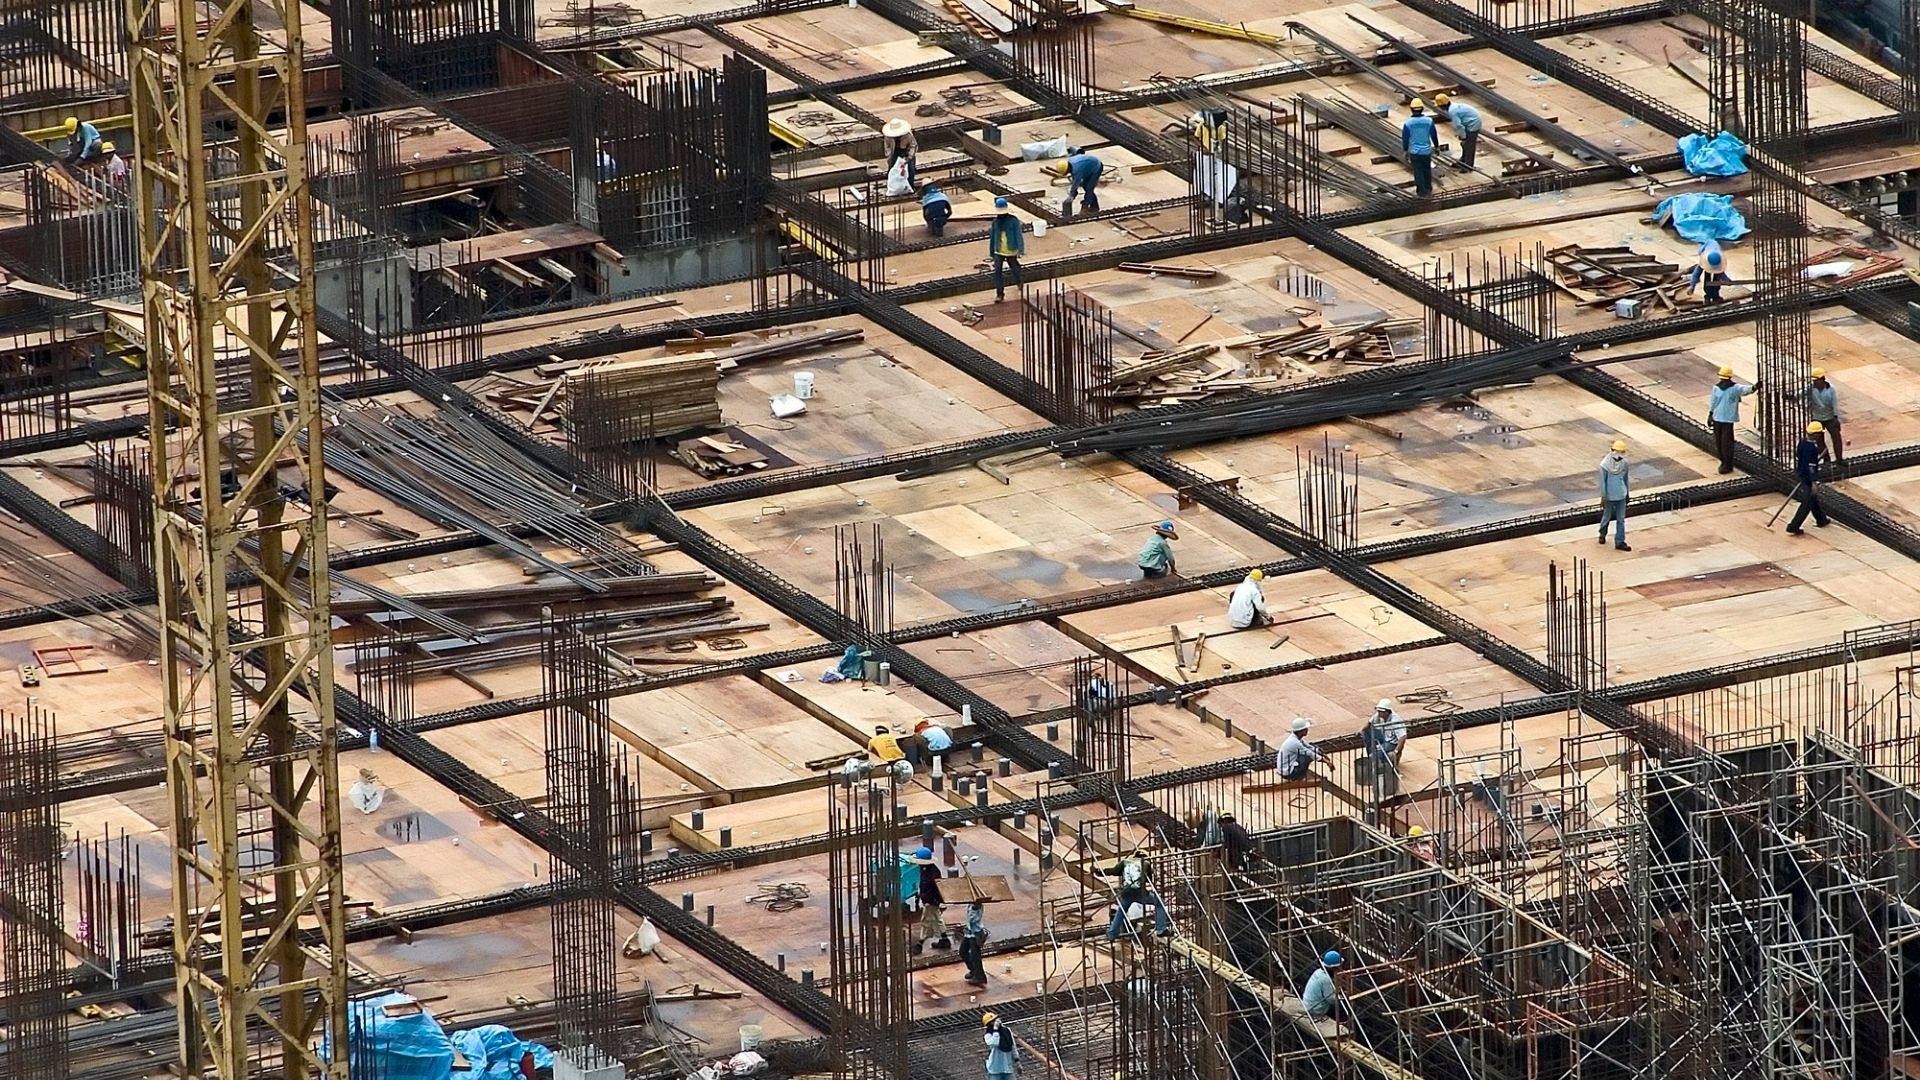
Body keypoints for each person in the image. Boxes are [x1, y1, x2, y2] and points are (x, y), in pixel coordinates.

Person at [1101, 851, 1172, 939]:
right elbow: (1148, 879)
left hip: (1126, 893)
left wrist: (1098, 871)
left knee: (1121, 912)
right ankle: (1161, 929)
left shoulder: (1125, 862)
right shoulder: (1146, 863)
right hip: (1140, 893)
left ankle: (1112, 934)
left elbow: (1113, 871)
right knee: (1160, 903)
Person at [1708, 366, 1757, 474]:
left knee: (1725, 442)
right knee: (1721, 442)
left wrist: (1754, 387)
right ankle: (1724, 462)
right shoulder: (1719, 388)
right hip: (1719, 418)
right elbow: (1713, 402)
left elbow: (1746, 390)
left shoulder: (1734, 388)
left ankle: (1727, 464)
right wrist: (1711, 414)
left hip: (1726, 419)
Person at [1786, 422, 1831, 535]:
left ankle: (1821, 519)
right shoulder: (1812, 448)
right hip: (1808, 477)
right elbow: (1811, 466)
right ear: (1815, 434)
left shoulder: (1802, 442)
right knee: (1808, 502)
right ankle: (1793, 526)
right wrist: (1813, 482)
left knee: (1813, 499)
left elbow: (1799, 457)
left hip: (1801, 473)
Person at [910, 846, 950, 953]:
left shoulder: (929, 873)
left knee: (925, 922)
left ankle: (919, 944)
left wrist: (928, 901)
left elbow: (931, 889)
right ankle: (945, 939)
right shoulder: (930, 869)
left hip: (931, 901)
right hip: (933, 900)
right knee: (937, 919)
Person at [1431, 93, 1483, 168]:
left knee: (1469, 145)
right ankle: (1463, 161)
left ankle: (1468, 166)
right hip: (1469, 121)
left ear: (1442, 106)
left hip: (1473, 123)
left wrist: (1463, 136)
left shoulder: (1453, 111)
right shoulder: (1453, 107)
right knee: (1464, 144)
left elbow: (1459, 125)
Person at [1597, 439, 1631, 551]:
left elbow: (1626, 479)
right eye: (1618, 452)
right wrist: (1603, 496)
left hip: (1621, 494)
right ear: (1612, 451)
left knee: (1621, 519)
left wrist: (1627, 493)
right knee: (1607, 517)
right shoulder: (1604, 466)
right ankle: (1602, 533)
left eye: (1622, 452)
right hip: (1610, 496)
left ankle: (1620, 542)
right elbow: (1603, 482)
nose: (1620, 455)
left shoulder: (1624, 464)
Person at [988, 198, 1024, 303]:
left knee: (1015, 268)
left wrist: (1020, 249)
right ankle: (1000, 294)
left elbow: (1018, 235)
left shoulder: (1013, 221)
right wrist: (991, 252)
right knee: (997, 271)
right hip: (998, 250)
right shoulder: (995, 222)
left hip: (1011, 249)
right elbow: (993, 237)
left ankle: (1019, 282)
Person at [1401, 98, 1436, 197]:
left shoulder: (1408, 123)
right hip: (1426, 151)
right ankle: (1428, 188)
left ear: (1411, 109)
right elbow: (1433, 135)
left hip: (1414, 152)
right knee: (1427, 170)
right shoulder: (1429, 121)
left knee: (1418, 172)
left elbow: (1405, 138)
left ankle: (1421, 191)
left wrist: (1405, 150)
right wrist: (1437, 147)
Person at [1807, 368, 1842, 463]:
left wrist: (1835, 418)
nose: (1814, 382)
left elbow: (1834, 404)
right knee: (1819, 441)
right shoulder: (1810, 388)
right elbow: (1799, 394)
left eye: (1816, 380)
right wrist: (1790, 396)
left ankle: (1839, 459)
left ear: (1822, 379)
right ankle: (1826, 460)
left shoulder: (1831, 389)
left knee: (1837, 439)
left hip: (1830, 418)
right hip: (1817, 419)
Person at [1361, 699, 1406, 766]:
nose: (1379, 713)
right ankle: (1373, 755)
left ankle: (1384, 759)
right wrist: (1361, 730)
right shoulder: (1379, 714)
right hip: (1384, 736)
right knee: (1366, 732)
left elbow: (1403, 737)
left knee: (1375, 755)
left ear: (1387, 712)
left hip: (1391, 743)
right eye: (1378, 711)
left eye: (1381, 711)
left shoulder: (1395, 721)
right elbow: (1369, 723)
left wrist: (1396, 751)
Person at [1061, 146, 1103, 216]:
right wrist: (1073, 193)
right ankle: (1094, 207)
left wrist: (1072, 195)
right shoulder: (1070, 163)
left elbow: (1076, 183)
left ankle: (1085, 207)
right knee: (1086, 186)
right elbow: (1075, 181)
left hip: (1096, 167)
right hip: (1088, 167)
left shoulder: (1077, 169)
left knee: (1089, 188)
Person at [1303, 951, 1342, 1022]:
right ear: (1333, 967)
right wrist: (1341, 997)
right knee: (1341, 1009)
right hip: (1316, 1009)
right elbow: (1331, 1000)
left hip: (1308, 1004)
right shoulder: (1326, 979)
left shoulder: (1318, 972)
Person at [882, 118, 918, 190]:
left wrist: (909, 157)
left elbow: (913, 146)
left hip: (906, 152)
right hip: (894, 152)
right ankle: (893, 187)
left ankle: (910, 186)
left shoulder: (908, 135)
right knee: (893, 171)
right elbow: (887, 147)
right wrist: (889, 157)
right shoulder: (888, 137)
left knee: (910, 170)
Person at [959, 900, 988, 986]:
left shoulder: (977, 906)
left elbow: (973, 919)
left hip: (976, 934)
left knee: (975, 956)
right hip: (969, 933)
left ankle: (980, 976)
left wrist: (974, 908)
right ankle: (973, 970)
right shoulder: (971, 904)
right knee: (963, 952)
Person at [982, 1013, 1018, 1080]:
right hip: (995, 1069)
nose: (996, 1022)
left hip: (1007, 1067)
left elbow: (1013, 1046)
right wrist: (995, 1030)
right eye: (993, 1021)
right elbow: (994, 1043)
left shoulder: (1007, 1031)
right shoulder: (988, 1035)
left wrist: (1017, 1061)